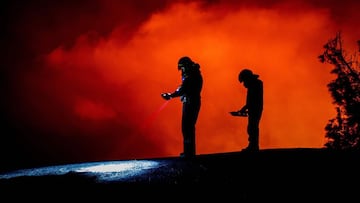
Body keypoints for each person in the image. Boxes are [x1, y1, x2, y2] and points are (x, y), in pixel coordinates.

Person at [161, 56, 203, 159]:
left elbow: (184, 89)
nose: (181, 70)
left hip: (190, 103)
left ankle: (189, 153)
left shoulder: (192, 75)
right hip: (190, 102)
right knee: (188, 128)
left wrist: (171, 95)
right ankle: (189, 152)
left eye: (182, 68)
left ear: (186, 66)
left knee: (187, 127)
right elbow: (182, 87)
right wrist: (173, 93)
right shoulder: (193, 74)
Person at [230, 68, 263, 152]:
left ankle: (254, 146)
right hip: (254, 108)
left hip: (255, 108)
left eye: (244, 81)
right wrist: (243, 109)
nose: (244, 84)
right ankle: (253, 145)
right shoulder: (255, 84)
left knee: (252, 127)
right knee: (252, 127)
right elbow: (250, 102)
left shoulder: (256, 85)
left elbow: (252, 100)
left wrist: (243, 109)